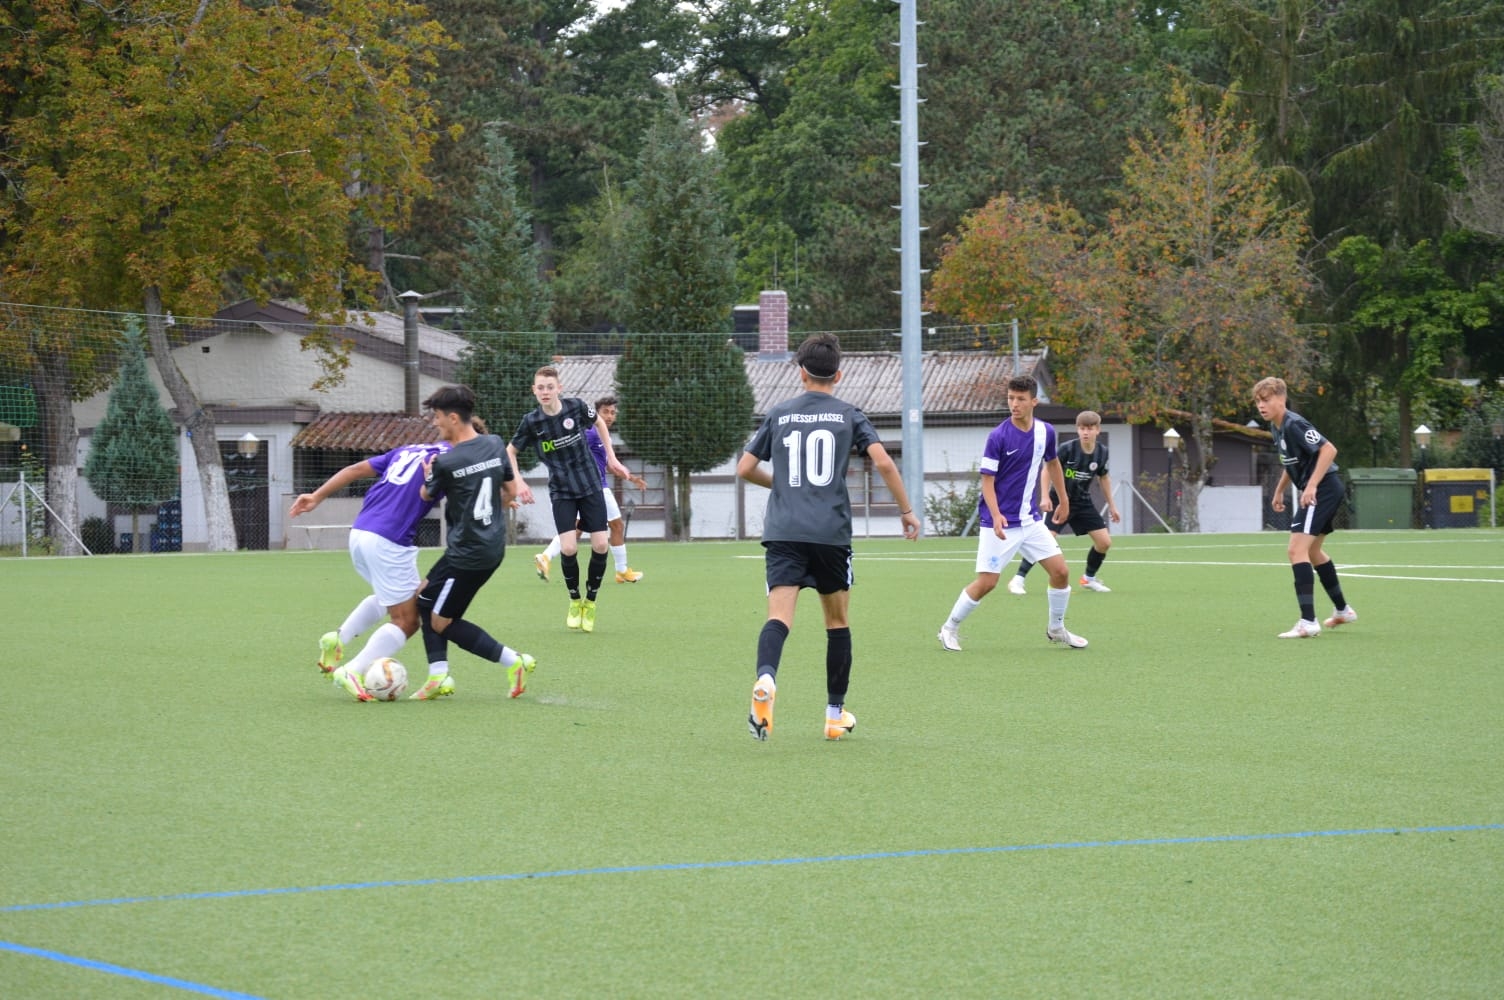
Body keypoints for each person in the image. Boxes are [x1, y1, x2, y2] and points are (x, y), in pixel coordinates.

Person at [737, 333, 921, 742]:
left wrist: (782, 485)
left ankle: (766, 679)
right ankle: (834, 715)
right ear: (839, 374)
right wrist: (906, 510)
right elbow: (884, 462)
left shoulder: (779, 413)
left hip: (784, 531)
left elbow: (745, 468)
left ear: (800, 372)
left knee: (778, 617)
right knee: (837, 622)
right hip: (830, 534)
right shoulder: (849, 414)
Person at [288, 436, 450, 701]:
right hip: (389, 539)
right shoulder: (454, 457)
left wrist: (317, 496)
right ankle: (353, 670)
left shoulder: (407, 449)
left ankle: (337, 639)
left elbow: (354, 469)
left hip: (360, 532)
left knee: (391, 597)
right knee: (407, 620)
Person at [937, 374, 1089, 652]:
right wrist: (996, 515)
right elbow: (987, 481)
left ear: (1034, 401)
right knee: (988, 582)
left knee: (1061, 572)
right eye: (1010, 398)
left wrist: (1063, 499)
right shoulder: (998, 436)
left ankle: (1056, 628)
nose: (1014, 404)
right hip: (999, 522)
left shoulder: (1046, 432)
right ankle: (949, 627)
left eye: (1020, 399)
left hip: (1030, 520)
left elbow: (1053, 464)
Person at [410, 385, 536, 700]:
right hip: (489, 546)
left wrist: (428, 475)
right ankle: (438, 676)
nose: (435, 423)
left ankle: (514, 661)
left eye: (438, 417)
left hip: (467, 554)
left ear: (453, 418)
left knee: (440, 621)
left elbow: (425, 495)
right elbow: (509, 492)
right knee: (424, 598)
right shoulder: (494, 444)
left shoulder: (446, 462)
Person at [509, 367, 632, 633]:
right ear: (534, 390)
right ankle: (575, 600)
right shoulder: (531, 422)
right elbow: (510, 451)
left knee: (601, 544)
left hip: (590, 485)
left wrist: (611, 458)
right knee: (568, 549)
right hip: (562, 491)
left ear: (559, 388)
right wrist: (518, 481)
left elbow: (599, 423)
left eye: (549, 387)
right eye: (540, 387)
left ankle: (591, 602)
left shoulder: (575, 407)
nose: (545, 392)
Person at [1253, 376, 1357, 638]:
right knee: (1313, 552)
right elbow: (1291, 463)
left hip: (1323, 490)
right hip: (1322, 490)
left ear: (1281, 399)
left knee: (1295, 549)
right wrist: (1279, 490)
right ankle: (1343, 610)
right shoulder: (1277, 428)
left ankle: (1308, 622)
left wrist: (1311, 486)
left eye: (1266, 400)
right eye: (1257, 401)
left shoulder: (1294, 423)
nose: (1261, 405)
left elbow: (1329, 450)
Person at [533, 395, 648, 586]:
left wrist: (632, 478)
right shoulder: (591, 431)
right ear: (596, 413)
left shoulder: (602, 435)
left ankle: (545, 557)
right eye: (605, 412)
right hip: (594, 487)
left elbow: (609, 465)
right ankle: (621, 571)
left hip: (591, 487)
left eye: (613, 413)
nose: (609, 416)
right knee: (615, 526)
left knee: (578, 529)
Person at [1009, 409, 1121, 594]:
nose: (1085, 432)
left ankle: (1088, 579)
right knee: (1046, 539)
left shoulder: (1102, 452)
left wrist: (1112, 506)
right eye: (1082, 428)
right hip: (1059, 501)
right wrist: (1045, 496)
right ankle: (1018, 579)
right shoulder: (1067, 449)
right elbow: (1047, 470)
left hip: (1082, 502)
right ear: (1077, 429)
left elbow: (1104, 478)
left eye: (1089, 428)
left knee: (1104, 542)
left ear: (1097, 430)